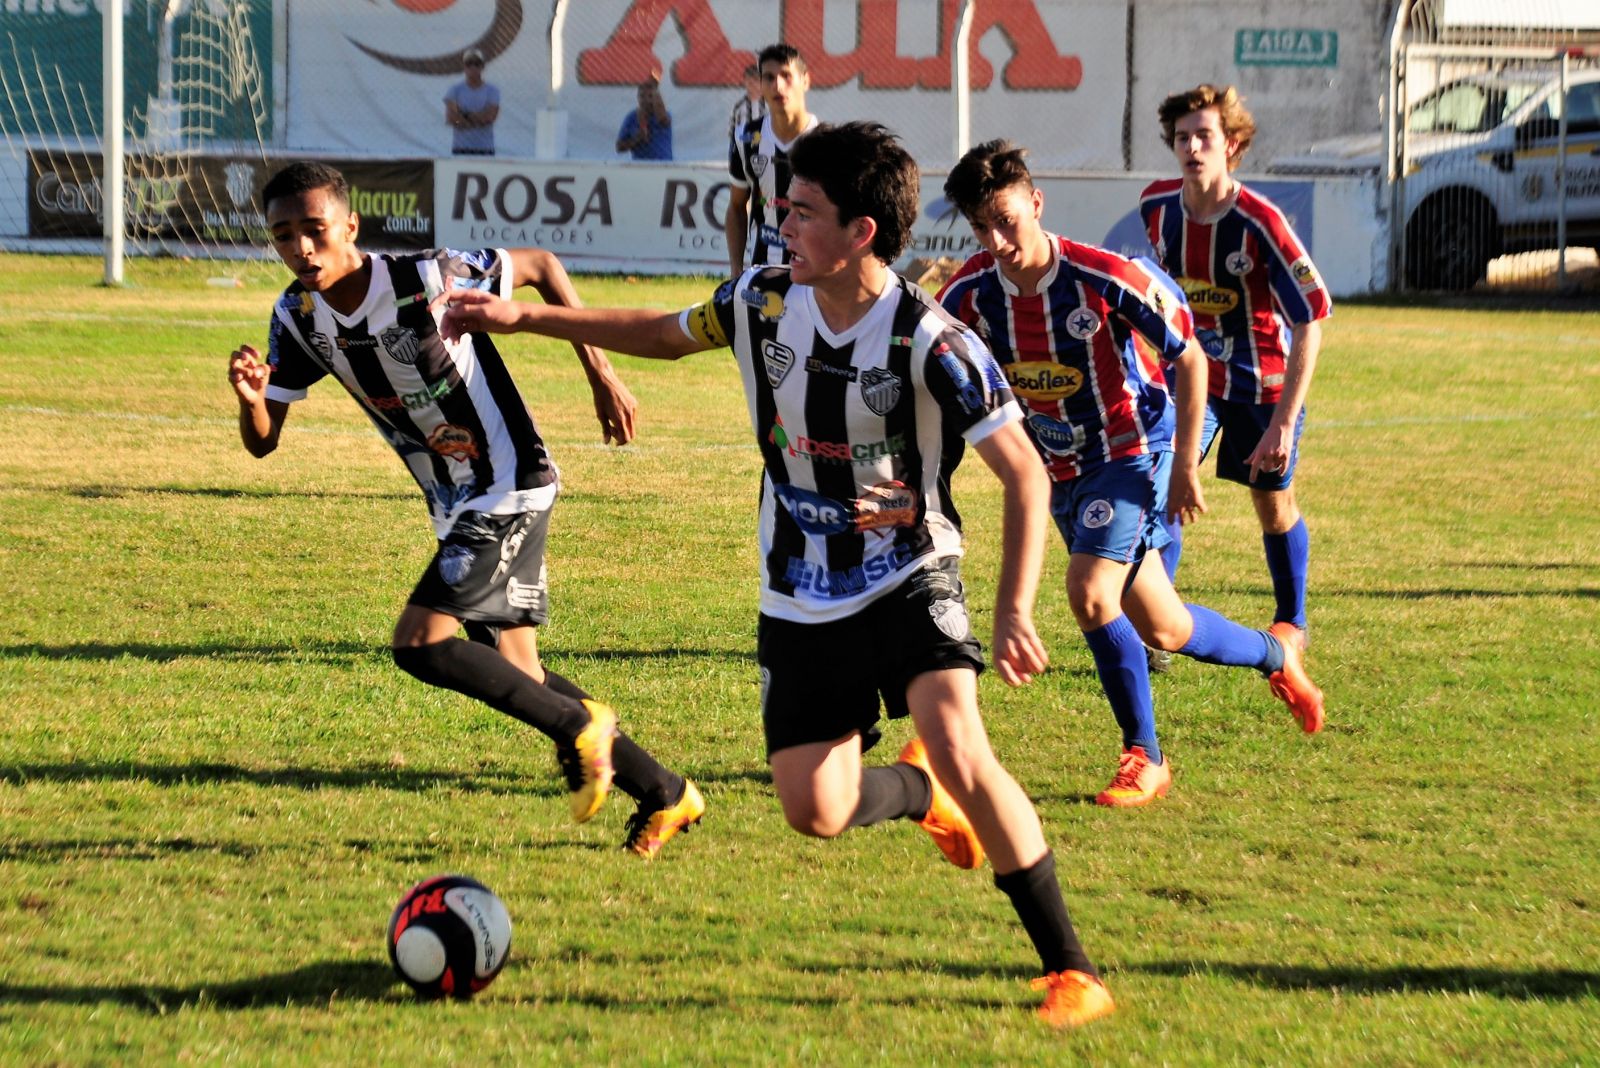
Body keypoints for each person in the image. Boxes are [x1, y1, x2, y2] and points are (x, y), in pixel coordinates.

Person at [439, 122, 1116, 1029]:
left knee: (960, 737)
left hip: (912, 570)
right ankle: (920, 794)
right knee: (816, 810)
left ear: (861, 233)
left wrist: (1014, 609)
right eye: (782, 205)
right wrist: (532, 318)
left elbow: (1025, 473)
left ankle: (1071, 968)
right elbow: (663, 331)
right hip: (798, 585)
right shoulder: (761, 299)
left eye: (801, 211)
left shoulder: (932, 339)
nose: (779, 222)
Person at [227, 161, 703, 860]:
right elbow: (263, 445)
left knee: (419, 642)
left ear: (349, 227)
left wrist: (601, 372)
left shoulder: (428, 277)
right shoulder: (296, 319)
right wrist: (249, 403)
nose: (301, 248)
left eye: (314, 230)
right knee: (521, 674)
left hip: (509, 481)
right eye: (283, 236)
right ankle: (667, 792)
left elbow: (540, 263)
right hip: (453, 503)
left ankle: (583, 730)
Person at [937, 140, 1325, 808]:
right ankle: (1275, 655)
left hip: (1127, 455)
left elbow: (1191, 358)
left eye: (1006, 220)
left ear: (1036, 202)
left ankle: (1145, 755)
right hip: (1055, 472)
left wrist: (1181, 467)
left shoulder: (1104, 276)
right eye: (980, 228)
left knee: (1091, 594)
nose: (997, 241)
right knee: (1165, 627)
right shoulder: (969, 295)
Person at [1140, 85, 1332, 648]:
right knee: (1163, 487)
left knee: (1273, 503)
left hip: (1262, 385)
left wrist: (1283, 421)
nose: (1192, 147)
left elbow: (1311, 317)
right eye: (1182, 137)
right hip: (1191, 379)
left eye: (1205, 136)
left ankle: (1292, 621)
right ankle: (1158, 626)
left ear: (1233, 144)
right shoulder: (1157, 207)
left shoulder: (1261, 222)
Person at [724, 43, 818, 279]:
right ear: (761, 85)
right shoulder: (745, 138)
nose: (778, 85)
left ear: (805, 80)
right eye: (769, 78)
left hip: (815, 274)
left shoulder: (827, 143)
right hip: (763, 270)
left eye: (787, 76)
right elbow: (736, 206)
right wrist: (736, 266)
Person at [444, 48, 499, 157]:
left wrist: (463, 115)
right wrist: (478, 119)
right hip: (461, 148)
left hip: (485, 148)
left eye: (477, 64)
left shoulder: (492, 90)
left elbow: (489, 118)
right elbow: (451, 119)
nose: (473, 67)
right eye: (469, 64)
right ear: (464, 67)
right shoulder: (455, 90)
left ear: (483, 66)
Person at [615, 77, 673, 160]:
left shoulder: (665, 115)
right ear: (638, 97)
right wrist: (637, 138)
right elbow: (619, 147)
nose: (646, 100)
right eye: (642, 96)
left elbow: (664, 121)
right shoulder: (631, 118)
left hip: (663, 166)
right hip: (640, 167)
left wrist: (657, 100)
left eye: (650, 96)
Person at [726, 63, 766, 148]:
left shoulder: (770, 105)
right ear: (744, 81)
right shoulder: (738, 106)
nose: (752, 83)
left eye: (756, 80)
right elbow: (732, 132)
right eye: (748, 80)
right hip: (745, 149)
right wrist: (748, 138)